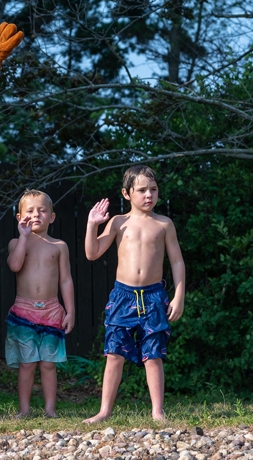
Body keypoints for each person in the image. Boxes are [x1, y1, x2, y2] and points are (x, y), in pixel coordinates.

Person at [82, 165, 186, 423]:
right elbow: (92, 253)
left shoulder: (164, 224)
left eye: (153, 189)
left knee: (154, 355)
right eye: (141, 190)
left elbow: (177, 262)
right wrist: (91, 225)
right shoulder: (118, 222)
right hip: (123, 296)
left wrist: (179, 295)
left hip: (153, 297)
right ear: (126, 194)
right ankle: (104, 411)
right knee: (114, 354)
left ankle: (157, 412)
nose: (148, 195)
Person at [5, 189, 74, 418]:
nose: (36, 215)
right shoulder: (16, 242)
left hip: (52, 310)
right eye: (30, 211)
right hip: (23, 310)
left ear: (52, 217)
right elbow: (14, 265)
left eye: (42, 211)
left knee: (48, 364)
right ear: (19, 217)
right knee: (27, 364)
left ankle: (50, 408)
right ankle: (24, 409)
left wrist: (70, 310)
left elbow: (65, 280)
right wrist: (23, 237)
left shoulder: (59, 246)